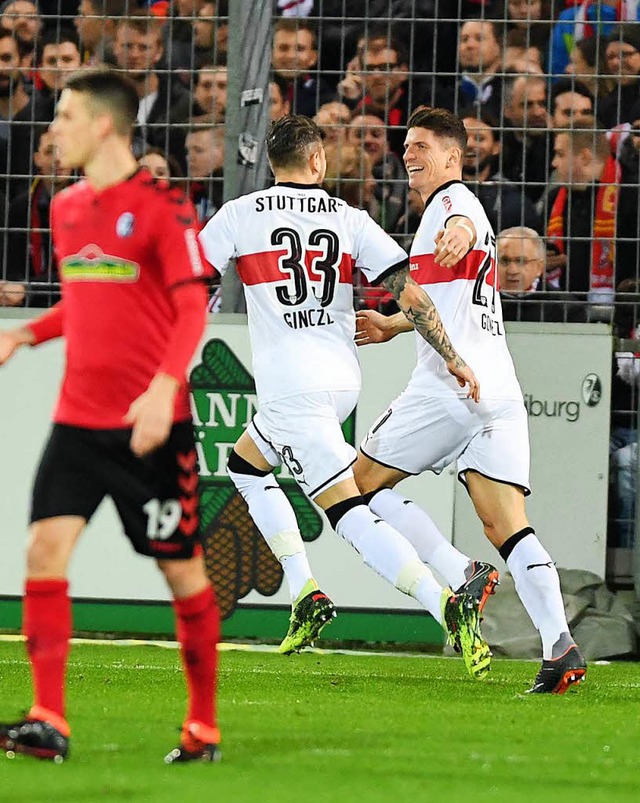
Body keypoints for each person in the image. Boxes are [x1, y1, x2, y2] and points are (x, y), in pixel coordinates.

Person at [198, 114, 491, 680]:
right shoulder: (349, 217)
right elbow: (413, 292)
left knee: (349, 514)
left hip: (291, 388)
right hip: (339, 379)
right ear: (318, 162)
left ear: (271, 164)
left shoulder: (241, 213)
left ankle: (446, 603)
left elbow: (188, 276)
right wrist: (452, 356)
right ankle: (304, 591)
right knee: (245, 465)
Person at [0, 68, 220, 764]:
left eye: (62, 116)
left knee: (181, 572)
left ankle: (204, 725)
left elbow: (190, 307)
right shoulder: (65, 208)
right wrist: (23, 333)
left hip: (151, 426)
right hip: (78, 422)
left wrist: (163, 389)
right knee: (44, 548)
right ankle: (48, 717)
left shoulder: (164, 206)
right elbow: (90, 304)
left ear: (102, 125)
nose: (52, 129)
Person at [354, 106, 586, 694]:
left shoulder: (451, 204)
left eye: (423, 146)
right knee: (507, 525)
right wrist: (390, 323)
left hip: (450, 386)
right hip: (497, 387)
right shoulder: (455, 207)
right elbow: (435, 304)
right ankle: (561, 648)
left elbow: (461, 226)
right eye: (407, 146)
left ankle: (460, 575)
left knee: (350, 488)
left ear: (453, 157)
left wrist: (456, 233)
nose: (409, 154)